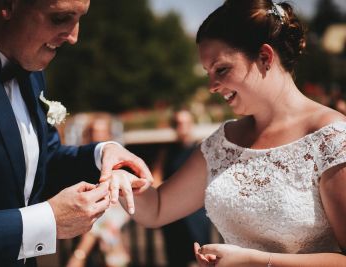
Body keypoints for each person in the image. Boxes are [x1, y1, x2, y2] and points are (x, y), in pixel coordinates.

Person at [113, 0, 346, 266]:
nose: (212, 85)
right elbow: (156, 209)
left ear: (264, 57)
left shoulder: (331, 137)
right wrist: (121, 176)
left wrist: (257, 261)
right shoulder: (223, 142)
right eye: (208, 73)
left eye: (221, 69)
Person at [0, 1, 152, 267]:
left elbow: (38, 165)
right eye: (61, 18)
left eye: (79, 18)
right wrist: (45, 222)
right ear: (9, 6)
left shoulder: (30, 68)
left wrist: (102, 156)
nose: (74, 37)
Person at [66, 115, 130, 267]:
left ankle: (79, 255)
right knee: (101, 219)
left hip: (114, 209)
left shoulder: (118, 161)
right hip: (90, 212)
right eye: (94, 131)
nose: (98, 135)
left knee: (104, 218)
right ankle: (116, 256)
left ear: (108, 134)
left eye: (102, 131)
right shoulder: (79, 160)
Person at [156, 110, 211, 267]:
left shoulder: (200, 149)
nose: (183, 127)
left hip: (195, 211)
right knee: (176, 257)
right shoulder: (166, 152)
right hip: (172, 211)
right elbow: (156, 178)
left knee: (200, 255)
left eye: (186, 122)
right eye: (179, 123)